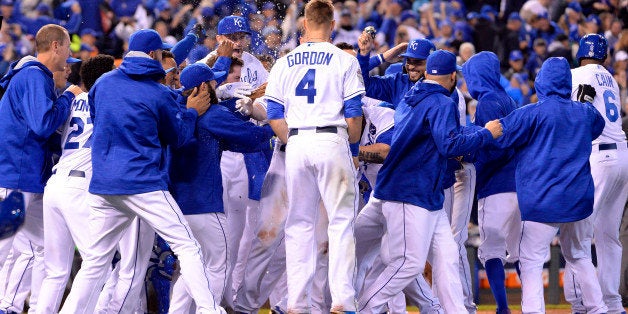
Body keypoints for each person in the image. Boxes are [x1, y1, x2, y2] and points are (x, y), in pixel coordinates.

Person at [58, 29, 224, 314]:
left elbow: (102, 121)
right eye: (160, 54)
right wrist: (192, 111)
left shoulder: (103, 84)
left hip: (104, 184)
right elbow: (180, 137)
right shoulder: (158, 93)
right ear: (152, 55)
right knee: (187, 246)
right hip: (143, 183)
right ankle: (210, 310)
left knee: (95, 263)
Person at [357, 50, 502, 314]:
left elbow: (441, 137)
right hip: (409, 190)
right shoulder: (441, 102)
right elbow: (449, 144)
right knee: (408, 264)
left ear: (427, 72)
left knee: (446, 259)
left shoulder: (410, 97)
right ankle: (367, 307)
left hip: (422, 190)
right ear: (452, 76)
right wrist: (485, 133)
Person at [265, 0, 364, 311]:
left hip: (296, 142)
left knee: (299, 225)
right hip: (331, 139)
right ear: (332, 24)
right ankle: (343, 301)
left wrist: (293, 140)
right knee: (341, 222)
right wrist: (351, 139)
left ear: (304, 25)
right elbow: (353, 116)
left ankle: (296, 303)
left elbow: (272, 112)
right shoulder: (344, 61)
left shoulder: (284, 61)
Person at [494, 57, 607, 314]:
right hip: (578, 200)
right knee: (579, 257)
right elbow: (596, 126)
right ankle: (599, 309)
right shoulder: (586, 112)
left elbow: (498, 138)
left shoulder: (530, 112)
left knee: (532, 262)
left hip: (542, 201)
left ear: (541, 81)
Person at [0, 24, 81, 313]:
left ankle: (9, 306)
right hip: (16, 173)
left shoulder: (32, 74)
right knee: (7, 251)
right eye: (68, 47)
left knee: (39, 246)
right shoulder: (35, 75)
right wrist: (69, 96)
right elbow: (43, 124)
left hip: (27, 175)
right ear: (56, 46)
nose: (70, 54)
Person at [36, 54, 114, 313]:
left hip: (56, 184)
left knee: (56, 272)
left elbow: (51, 137)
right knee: (97, 262)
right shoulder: (108, 101)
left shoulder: (71, 101)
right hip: (80, 188)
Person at [564, 33, 628, 314]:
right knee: (608, 235)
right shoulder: (611, 78)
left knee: (578, 230)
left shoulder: (576, 73)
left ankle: (581, 302)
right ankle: (612, 302)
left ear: (581, 52)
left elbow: (574, 111)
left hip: (597, 154)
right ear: (604, 55)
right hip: (622, 154)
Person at [462, 51, 520, 314]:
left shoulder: (486, 102)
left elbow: (494, 146)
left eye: (469, 74)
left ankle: (503, 308)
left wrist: (472, 156)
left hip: (496, 186)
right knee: (520, 252)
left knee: (491, 251)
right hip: (519, 185)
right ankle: (531, 305)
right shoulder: (508, 99)